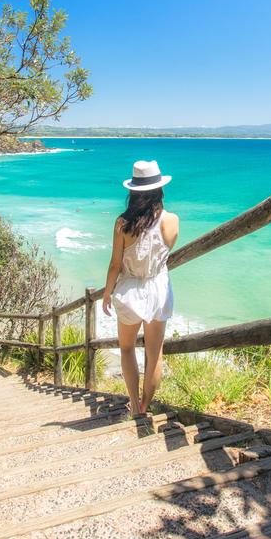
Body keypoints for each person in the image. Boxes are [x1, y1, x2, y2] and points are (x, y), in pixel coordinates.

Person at [102, 160, 179, 416]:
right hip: (158, 288)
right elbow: (165, 252)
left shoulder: (123, 223)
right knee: (155, 354)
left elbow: (115, 264)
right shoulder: (172, 221)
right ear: (159, 190)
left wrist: (106, 294)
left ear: (133, 192)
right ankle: (146, 405)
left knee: (126, 349)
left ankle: (134, 405)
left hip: (130, 291)